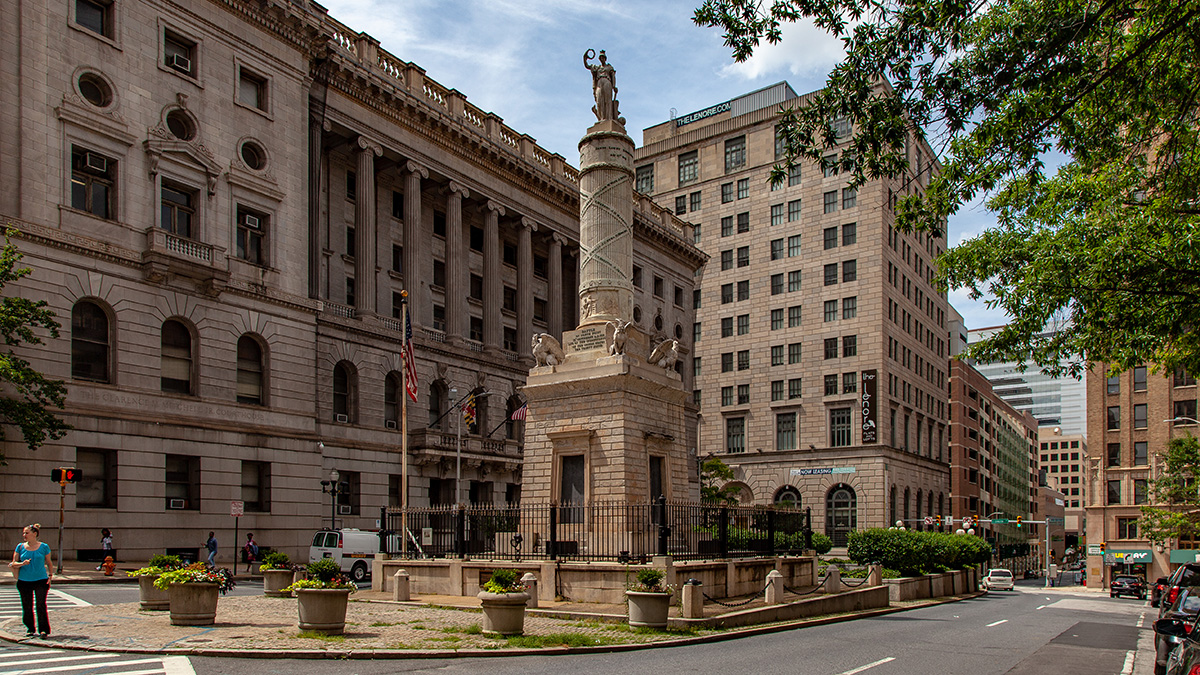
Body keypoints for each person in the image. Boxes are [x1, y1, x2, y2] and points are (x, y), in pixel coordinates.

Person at [10, 523, 53, 638]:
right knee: (27, 605)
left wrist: (50, 574)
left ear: (34, 534)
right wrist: (22, 563)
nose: (24, 535)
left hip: (41, 580)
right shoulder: (20, 547)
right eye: (23, 533)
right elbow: (13, 562)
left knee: (40, 605)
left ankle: (43, 630)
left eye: (27, 533)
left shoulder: (44, 547)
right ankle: (30, 628)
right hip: (24, 581)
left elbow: (49, 562)